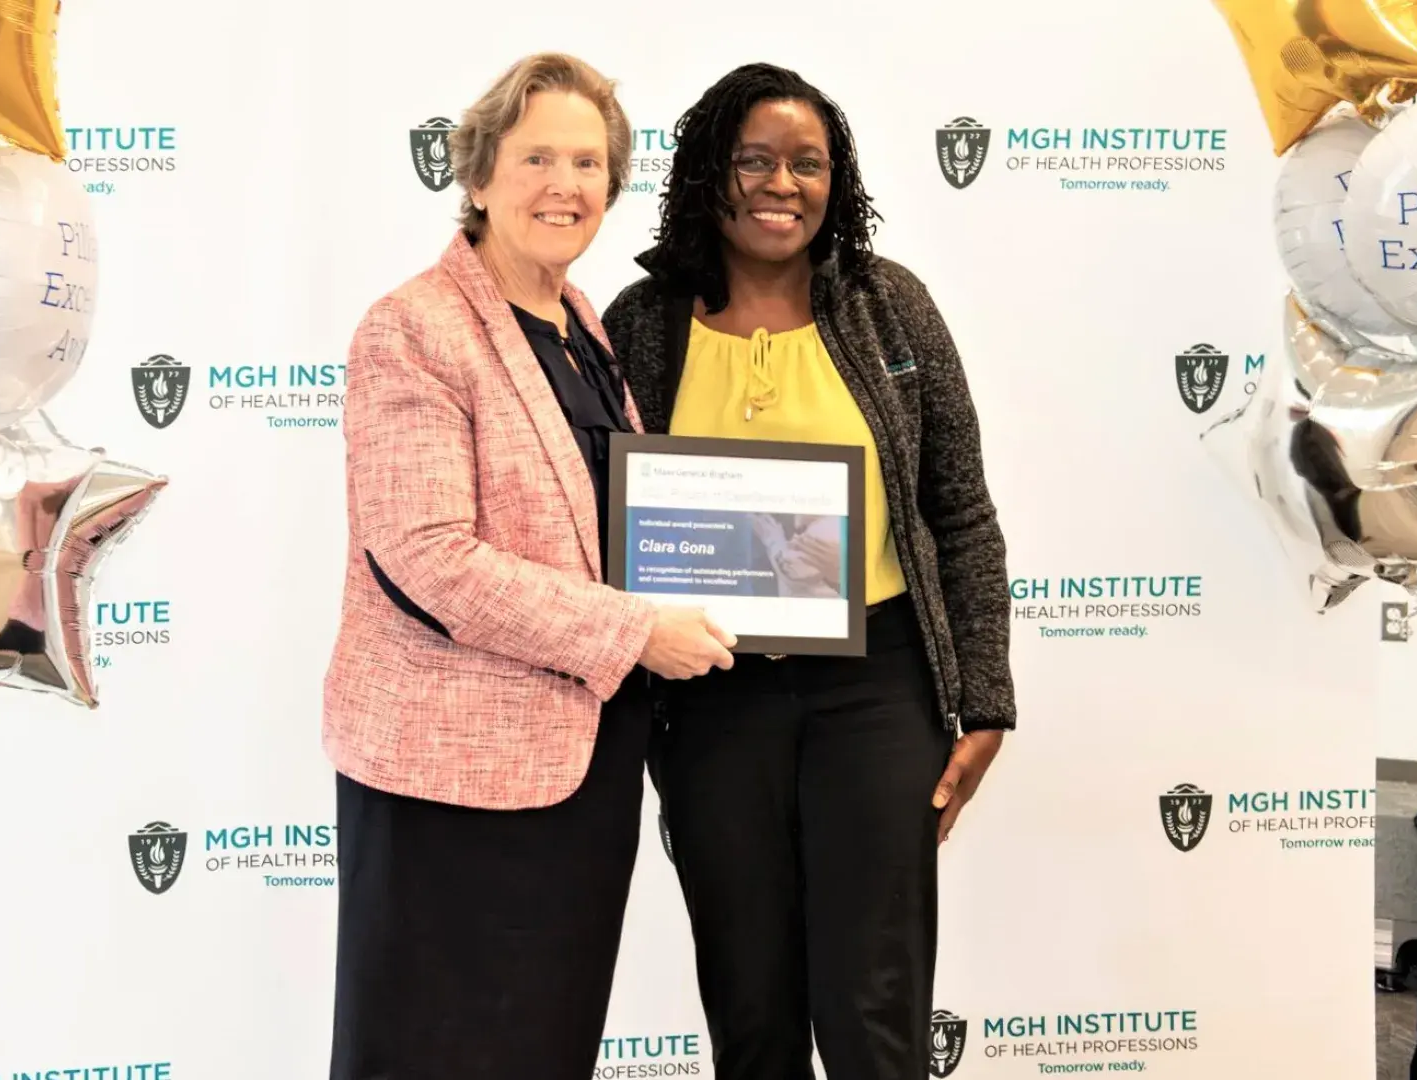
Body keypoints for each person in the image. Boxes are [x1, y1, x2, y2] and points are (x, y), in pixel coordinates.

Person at [321, 53, 736, 1080]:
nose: (566, 186)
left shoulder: (580, 322)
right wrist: (637, 631)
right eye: (538, 156)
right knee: (432, 1052)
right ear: (477, 174)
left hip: (580, 767)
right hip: (449, 778)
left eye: (589, 163)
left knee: (541, 1049)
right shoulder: (413, 328)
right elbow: (425, 557)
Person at [603, 63, 1017, 1080]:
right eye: (754, 160)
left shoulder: (890, 308)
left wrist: (986, 699)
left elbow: (958, 511)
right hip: (708, 695)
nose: (782, 183)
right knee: (751, 1007)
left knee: (872, 1006)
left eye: (808, 163)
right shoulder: (641, 323)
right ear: (709, 172)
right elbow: (590, 515)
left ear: (839, 180)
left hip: (875, 686)